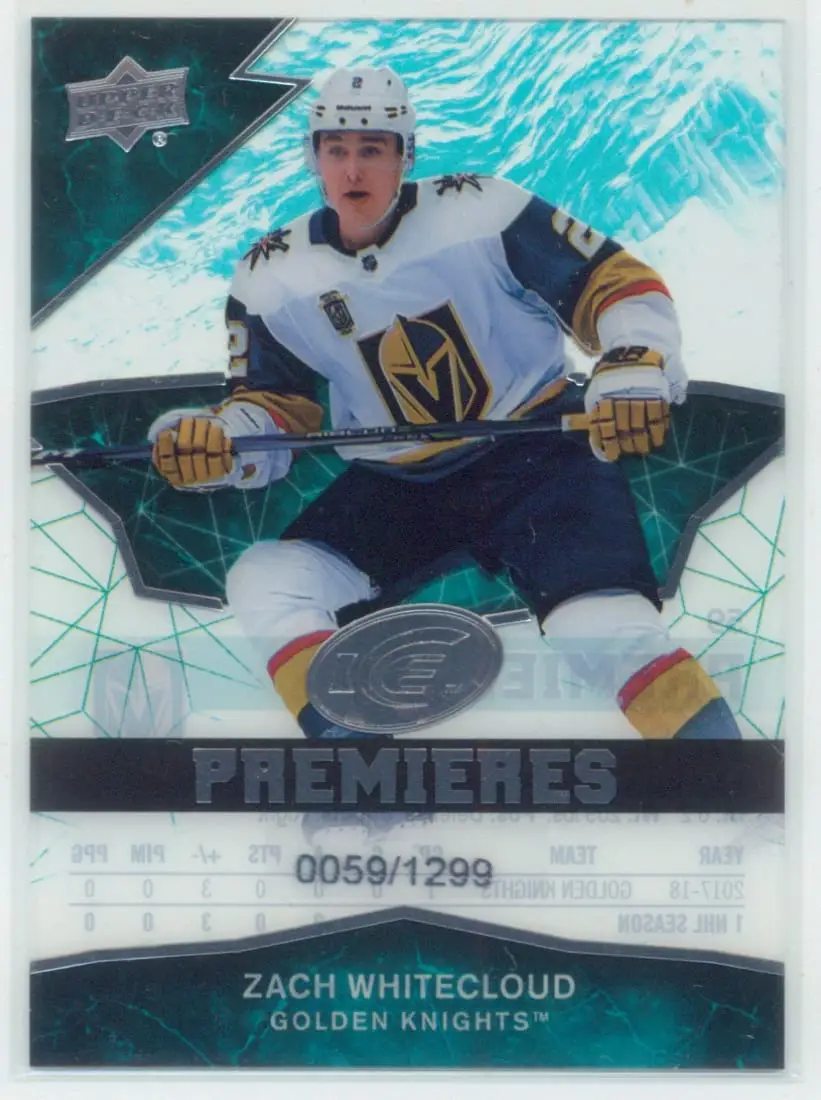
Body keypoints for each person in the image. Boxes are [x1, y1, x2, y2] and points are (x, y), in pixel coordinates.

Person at [148, 66, 741, 742]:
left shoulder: (482, 208)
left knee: (604, 631)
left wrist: (633, 360)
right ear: (313, 157)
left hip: (539, 456)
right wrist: (221, 443)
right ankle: (352, 758)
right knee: (267, 579)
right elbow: (274, 406)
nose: (352, 169)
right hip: (400, 486)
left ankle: (718, 768)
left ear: (407, 154)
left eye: (372, 148)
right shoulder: (268, 274)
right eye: (336, 149)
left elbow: (613, 281)